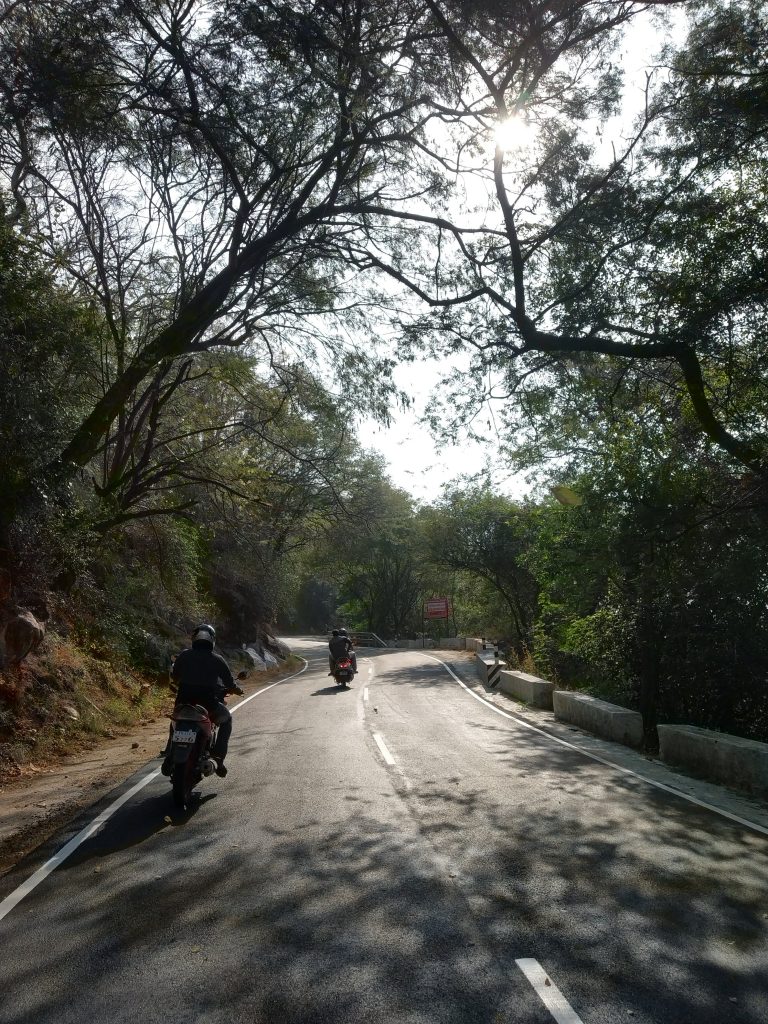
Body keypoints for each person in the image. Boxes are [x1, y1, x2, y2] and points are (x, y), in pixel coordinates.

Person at [162, 624, 243, 777]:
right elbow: (229, 683)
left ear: (194, 639)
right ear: (212, 640)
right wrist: (237, 690)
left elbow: (174, 676)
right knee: (226, 720)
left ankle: (169, 753)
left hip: (183, 703)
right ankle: (219, 757)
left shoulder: (184, 656)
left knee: (176, 722)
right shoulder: (217, 659)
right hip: (208, 704)